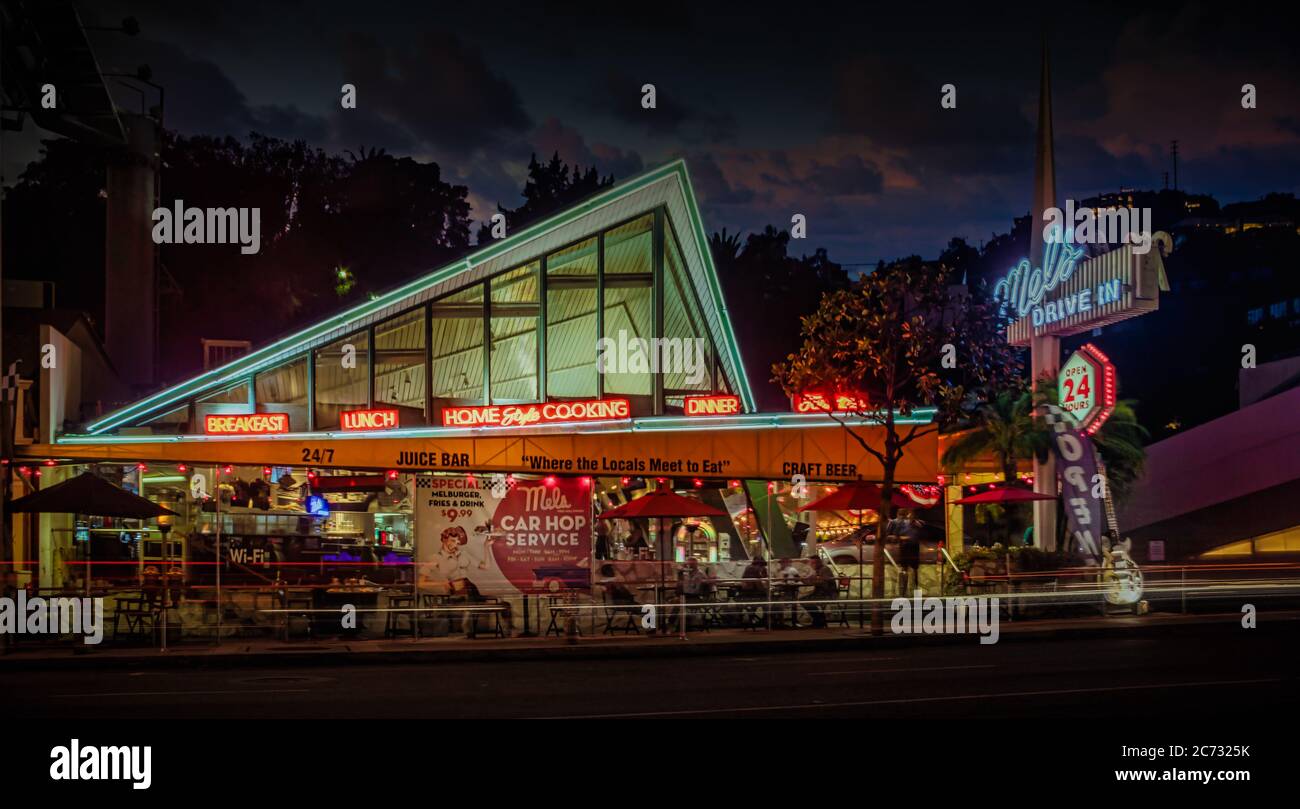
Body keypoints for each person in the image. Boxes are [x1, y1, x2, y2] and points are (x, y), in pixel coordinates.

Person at [889, 509, 924, 595]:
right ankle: (905, 592)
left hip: (910, 548)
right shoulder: (901, 523)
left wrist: (901, 538)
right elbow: (896, 536)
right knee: (907, 570)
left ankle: (909, 592)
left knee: (911, 570)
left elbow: (896, 536)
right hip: (908, 548)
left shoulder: (914, 523)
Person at [799, 556, 839, 628]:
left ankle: (819, 620)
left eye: (814, 563)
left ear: (819, 562)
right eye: (811, 563)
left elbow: (823, 582)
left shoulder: (824, 569)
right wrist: (805, 579)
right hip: (820, 593)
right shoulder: (818, 570)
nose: (812, 565)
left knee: (804, 600)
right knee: (804, 600)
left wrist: (811, 580)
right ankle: (819, 620)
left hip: (827, 594)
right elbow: (812, 580)